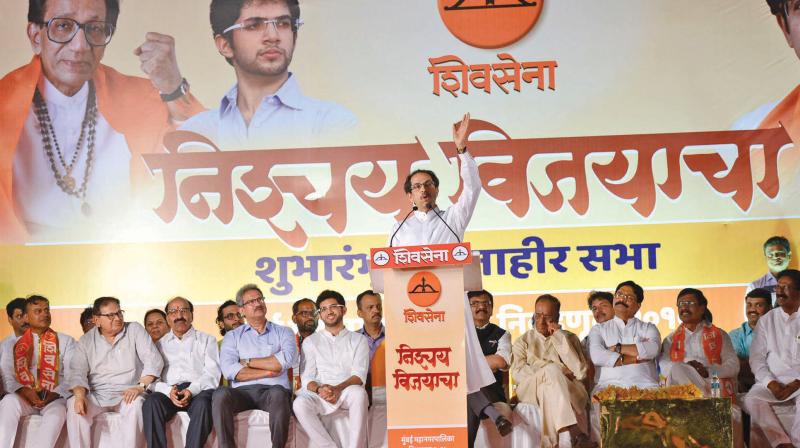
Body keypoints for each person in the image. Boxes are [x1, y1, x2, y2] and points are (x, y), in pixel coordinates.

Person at [0, 0, 204, 241]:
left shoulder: (143, 99)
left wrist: (173, 87)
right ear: (35, 36)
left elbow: (205, 154)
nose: (80, 46)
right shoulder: (4, 105)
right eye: (63, 26)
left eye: (95, 29)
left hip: (121, 262)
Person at [387, 113, 512, 440]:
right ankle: (485, 412)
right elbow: (391, 271)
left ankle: (473, 424)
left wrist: (462, 150)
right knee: (433, 378)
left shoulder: (452, 219)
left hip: (451, 313)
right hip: (415, 318)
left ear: (436, 190)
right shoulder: (398, 230)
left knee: (459, 374)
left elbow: (473, 188)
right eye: (416, 186)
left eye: (428, 184)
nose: (423, 189)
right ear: (409, 196)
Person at [181, 0, 357, 150]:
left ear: (294, 37)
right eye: (254, 25)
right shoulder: (196, 133)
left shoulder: (330, 123)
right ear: (225, 45)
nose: (273, 36)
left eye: (283, 24)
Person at [66, 296, 164, 447]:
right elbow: (77, 372)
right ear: (97, 320)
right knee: (74, 404)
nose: (118, 318)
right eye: (111, 315)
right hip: (97, 394)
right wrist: (80, 396)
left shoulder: (134, 329)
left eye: (119, 313)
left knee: (136, 404)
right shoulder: (86, 341)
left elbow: (154, 361)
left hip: (129, 392)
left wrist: (140, 386)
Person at [213, 284, 297, 448]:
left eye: (260, 299)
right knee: (220, 394)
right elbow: (230, 370)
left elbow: (286, 360)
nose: (257, 303)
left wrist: (247, 362)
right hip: (241, 393)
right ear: (242, 310)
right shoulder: (232, 337)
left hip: (273, 392)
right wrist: (268, 370)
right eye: (251, 301)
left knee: (279, 393)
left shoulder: (284, 332)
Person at [511, 294, 594, 448]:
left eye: (547, 316)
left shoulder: (569, 338)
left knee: (547, 388)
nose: (541, 321)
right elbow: (518, 373)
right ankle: (575, 431)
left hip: (569, 388)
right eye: (538, 315)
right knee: (551, 371)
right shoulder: (523, 341)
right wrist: (555, 369)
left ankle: (550, 443)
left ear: (557, 317)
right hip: (530, 389)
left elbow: (580, 372)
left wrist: (559, 337)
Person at [293, 290, 369, 448]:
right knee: (299, 404)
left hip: (346, 392)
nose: (329, 311)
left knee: (359, 393)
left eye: (333, 306)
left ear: (344, 310)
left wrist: (337, 388)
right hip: (321, 394)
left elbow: (359, 376)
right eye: (324, 309)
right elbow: (307, 378)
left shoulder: (359, 340)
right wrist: (321, 389)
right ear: (320, 315)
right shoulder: (311, 341)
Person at [143, 296, 220, 448]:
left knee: (204, 404)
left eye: (184, 311)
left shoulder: (207, 340)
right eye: (173, 312)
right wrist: (167, 391)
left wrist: (191, 390)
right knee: (150, 403)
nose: (179, 316)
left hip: (198, 391)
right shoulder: (159, 345)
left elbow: (212, 374)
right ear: (168, 318)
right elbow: (150, 380)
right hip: (169, 392)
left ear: (192, 315)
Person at [0, 295, 76, 446]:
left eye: (47, 310)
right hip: (24, 398)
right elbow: (7, 376)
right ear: (27, 317)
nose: (45, 314)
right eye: (38, 311)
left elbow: (72, 375)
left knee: (58, 413)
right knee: (8, 402)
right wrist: (24, 391)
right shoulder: (12, 344)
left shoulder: (66, 341)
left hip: (54, 398)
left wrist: (53, 393)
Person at [743, 269, 800, 448]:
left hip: (799, 382)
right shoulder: (767, 320)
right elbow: (756, 359)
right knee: (751, 399)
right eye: (778, 287)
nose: (779, 291)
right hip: (774, 382)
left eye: (785, 287)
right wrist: (770, 383)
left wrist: (796, 383)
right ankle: (782, 443)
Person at [658, 288, 739, 396]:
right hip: (684, 389)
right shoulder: (670, 340)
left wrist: (708, 371)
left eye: (690, 303)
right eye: (681, 304)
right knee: (677, 368)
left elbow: (733, 365)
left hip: (713, 386)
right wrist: (688, 368)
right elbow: (664, 366)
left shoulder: (719, 335)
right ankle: (701, 404)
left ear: (702, 308)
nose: (684, 307)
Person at [587, 280, 661, 391]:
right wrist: (635, 358)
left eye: (629, 297)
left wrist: (618, 348)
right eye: (619, 295)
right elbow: (597, 356)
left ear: (638, 306)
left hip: (646, 387)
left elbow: (653, 349)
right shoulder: (598, 329)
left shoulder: (648, 327)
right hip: (608, 387)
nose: (622, 299)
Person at [467, 290, 512, 445]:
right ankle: (497, 418)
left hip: (492, 391)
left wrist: (469, 363)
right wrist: (487, 364)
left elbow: (501, 362)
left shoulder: (502, 334)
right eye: (475, 303)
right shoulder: (460, 333)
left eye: (485, 303)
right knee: (468, 389)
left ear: (492, 308)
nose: (481, 307)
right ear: (467, 308)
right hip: (467, 394)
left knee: (468, 383)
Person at [729, 288, 772, 393]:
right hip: (746, 389)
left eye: (758, 305)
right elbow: (737, 367)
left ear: (770, 308)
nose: (752, 309)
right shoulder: (735, 335)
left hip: (777, 386)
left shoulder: (779, 332)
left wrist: (749, 363)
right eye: (749, 305)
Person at [582, 291, 614, 391]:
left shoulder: (629, 330)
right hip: (601, 389)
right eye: (594, 308)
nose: (598, 311)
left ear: (615, 307)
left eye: (603, 306)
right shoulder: (587, 340)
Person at [291, 297, 317, 392]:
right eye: (304, 313)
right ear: (294, 319)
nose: (310, 317)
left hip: (318, 389)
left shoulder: (325, 341)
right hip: (291, 390)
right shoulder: (288, 343)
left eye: (313, 313)